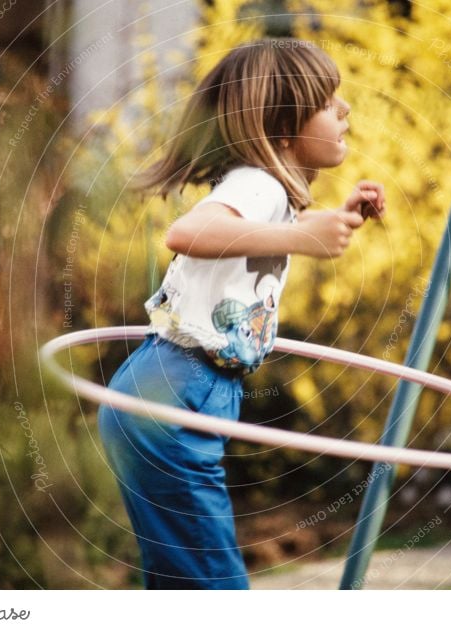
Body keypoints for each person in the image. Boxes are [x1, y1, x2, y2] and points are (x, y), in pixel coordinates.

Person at [97, 37, 385, 590]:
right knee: (216, 588)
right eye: (328, 102)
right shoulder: (259, 184)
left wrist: (329, 219)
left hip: (169, 391)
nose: (345, 110)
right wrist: (301, 235)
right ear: (283, 128)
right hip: (178, 395)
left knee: (184, 586)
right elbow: (187, 232)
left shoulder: (270, 193)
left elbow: (253, 240)